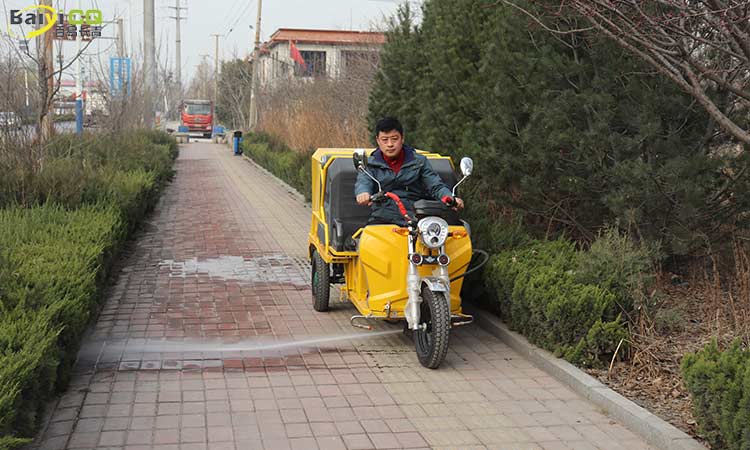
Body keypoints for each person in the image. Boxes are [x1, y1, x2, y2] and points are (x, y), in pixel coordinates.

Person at [355, 117, 464, 225]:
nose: (390, 144)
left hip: (418, 216)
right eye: (385, 140)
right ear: (378, 141)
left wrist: (449, 197)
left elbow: (435, 185)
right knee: (371, 239)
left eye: (394, 139)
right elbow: (363, 182)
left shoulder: (419, 161)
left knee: (455, 231)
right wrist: (363, 193)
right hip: (383, 216)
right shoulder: (369, 164)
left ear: (402, 138)